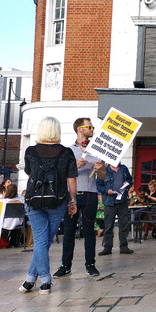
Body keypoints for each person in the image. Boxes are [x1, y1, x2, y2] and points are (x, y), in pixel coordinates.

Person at [19, 117, 78, 295]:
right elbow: (71, 180)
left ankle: (30, 279)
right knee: (44, 242)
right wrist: (73, 200)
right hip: (57, 201)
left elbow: (30, 175)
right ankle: (45, 280)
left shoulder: (30, 151)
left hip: (34, 200)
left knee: (40, 241)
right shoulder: (66, 153)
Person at [54, 117, 105, 279]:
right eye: (89, 127)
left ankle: (90, 264)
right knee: (69, 231)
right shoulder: (68, 151)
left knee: (90, 231)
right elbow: (60, 175)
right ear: (79, 129)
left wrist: (100, 168)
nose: (92, 129)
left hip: (90, 193)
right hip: (72, 195)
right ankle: (65, 265)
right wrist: (75, 166)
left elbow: (103, 177)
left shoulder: (96, 150)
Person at [97, 162, 134, 255]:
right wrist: (106, 191)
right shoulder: (104, 170)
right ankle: (107, 247)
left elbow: (130, 179)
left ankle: (124, 246)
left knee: (124, 225)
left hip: (122, 201)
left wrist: (127, 183)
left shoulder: (124, 168)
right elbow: (98, 185)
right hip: (109, 202)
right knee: (108, 225)